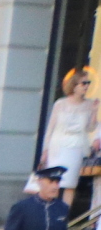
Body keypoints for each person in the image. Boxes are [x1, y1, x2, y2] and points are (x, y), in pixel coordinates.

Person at [32, 69, 96, 210]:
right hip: (58, 146)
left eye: (88, 83)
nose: (86, 86)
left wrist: (95, 112)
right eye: (84, 83)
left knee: (70, 184)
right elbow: (51, 128)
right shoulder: (60, 104)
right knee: (52, 180)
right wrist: (45, 150)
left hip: (77, 147)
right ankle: (46, 211)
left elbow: (90, 128)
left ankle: (63, 217)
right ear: (74, 85)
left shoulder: (89, 104)